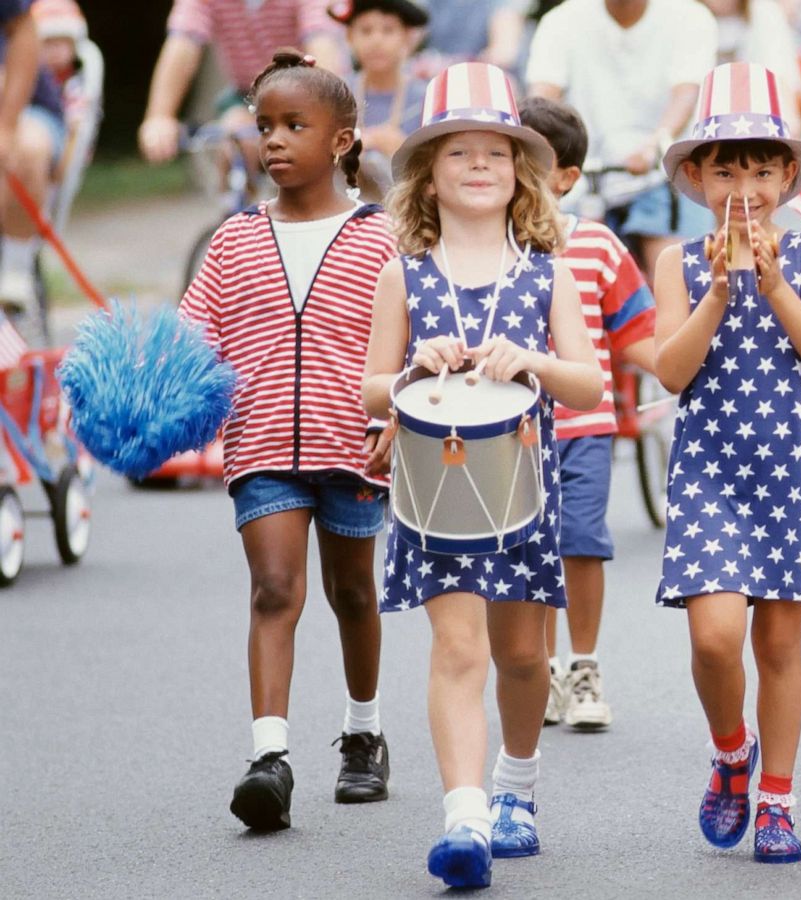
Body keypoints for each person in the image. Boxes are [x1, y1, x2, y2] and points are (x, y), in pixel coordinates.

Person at [360, 61, 602, 888]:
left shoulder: (546, 270)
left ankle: (517, 784)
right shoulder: (404, 273)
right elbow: (367, 389)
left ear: (520, 174)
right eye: (457, 152)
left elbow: (589, 382)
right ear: (427, 175)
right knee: (457, 647)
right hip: (434, 494)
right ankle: (464, 816)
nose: (477, 166)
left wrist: (530, 358)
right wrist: (405, 378)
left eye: (495, 154)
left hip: (524, 483)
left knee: (523, 656)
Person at [653, 61, 801, 864]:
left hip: (791, 468)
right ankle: (732, 752)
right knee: (714, 638)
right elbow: (671, 371)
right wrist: (718, 289)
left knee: (779, 646)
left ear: (786, 175)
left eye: (759, 168)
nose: (743, 185)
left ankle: (776, 798)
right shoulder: (676, 262)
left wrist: (774, 284)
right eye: (724, 168)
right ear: (698, 176)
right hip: (711, 466)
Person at [178, 51, 395, 832]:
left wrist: (397, 419)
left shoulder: (382, 240)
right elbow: (191, 335)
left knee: (353, 593)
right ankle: (270, 758)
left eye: (293, 126)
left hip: (355, 446)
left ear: (341, 140)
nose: (272, 141)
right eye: (264, 125)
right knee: (274, 589)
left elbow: (406, 341)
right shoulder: (232, 241)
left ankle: (364, 733)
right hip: (262, 442)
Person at [518, 95, 658, 732]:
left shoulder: (597, 245)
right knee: (527, 547)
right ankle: (541, 671)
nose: (511, 170)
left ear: (567, 178)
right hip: (509, 432)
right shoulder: (481, 250)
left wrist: (695, 367)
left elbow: (639, 335)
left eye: (529, 159)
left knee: (581, 542)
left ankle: (583, 666)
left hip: (583, 428)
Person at [524, 0, 718, 286]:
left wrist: (656, 143)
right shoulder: (561, 21)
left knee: (677, 280)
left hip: (664, 177)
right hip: (584, 179)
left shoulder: (690, 17)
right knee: (564, 272)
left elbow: (686, 94)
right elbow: (542, 96)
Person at [139, 0, 345, 165]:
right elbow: (183, 42)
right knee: (235, 137)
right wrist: (160, 116)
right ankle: (239, 208)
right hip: (248, 96)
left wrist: (325, 113)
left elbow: (323, 46)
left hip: (307, 93)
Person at [0, 2, 66, 310]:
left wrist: (6, 126)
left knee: (25, 148)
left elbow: (24, 31)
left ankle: (15, 277)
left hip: (26, 109)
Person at [329, 0, 430, 197]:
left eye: (388, 31)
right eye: (366, 31)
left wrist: (401, 149)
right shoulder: (335, 93)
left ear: (407, 38)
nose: (376, 41)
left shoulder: (425, 98)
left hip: (407, 204)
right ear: (349, 37)